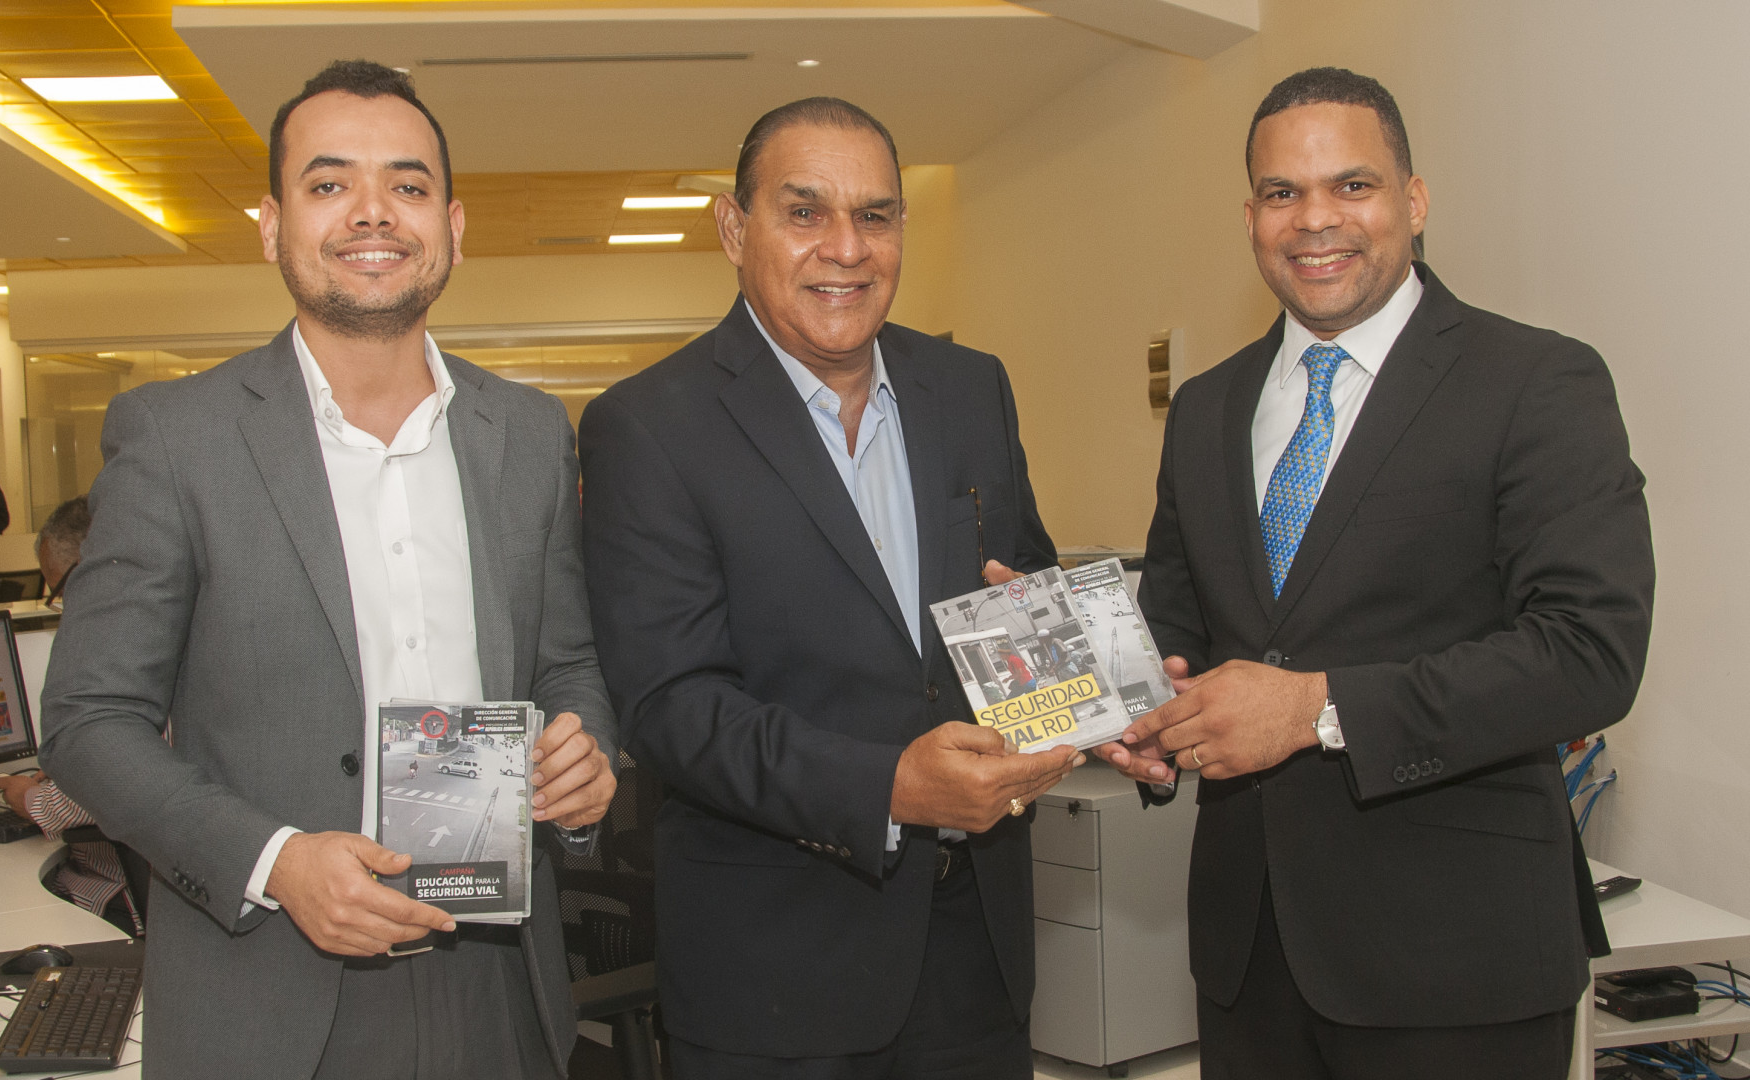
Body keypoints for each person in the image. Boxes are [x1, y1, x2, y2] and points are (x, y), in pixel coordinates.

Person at [40, 60, 618, 1080]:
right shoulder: (177, 437)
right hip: (268, 988)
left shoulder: (527, 433)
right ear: (272, 225)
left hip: (497, 983)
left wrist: (587, 753)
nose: (373, 211)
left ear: (453, 225)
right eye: (329, 182)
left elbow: (565, 665)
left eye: (408, 184)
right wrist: (276, 863)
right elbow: (89, 721)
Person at [1104, 68, 1654, 1079]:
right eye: (1282, 192)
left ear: (1415, 199)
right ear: (1251, 217)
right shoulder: (1207, 408)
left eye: (1351, 185)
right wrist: (1097, 678)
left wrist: (1315, 708)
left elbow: (1589, 655)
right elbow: (1177, 626)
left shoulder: (1537, 381)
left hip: (1459, 962)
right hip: (1249, 956)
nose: (1315, 219)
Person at [581, 97, 1078, 1078]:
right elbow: (671, 706)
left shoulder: (970, 388)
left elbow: (1023, 587)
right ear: (735, 229)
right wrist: (888, 787)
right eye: (804, 212)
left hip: (974, 959)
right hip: (775, 975)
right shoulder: (649, 426)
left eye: (874, 215)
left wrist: (1103, 699)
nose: (845, 249)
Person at [0, 497, 143, 936]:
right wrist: (66, 772)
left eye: (58, 591)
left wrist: (30, 799)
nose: (63, 606)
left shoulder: (128, 649)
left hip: (114, 894)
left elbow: (119, 773)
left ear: (89, 570)